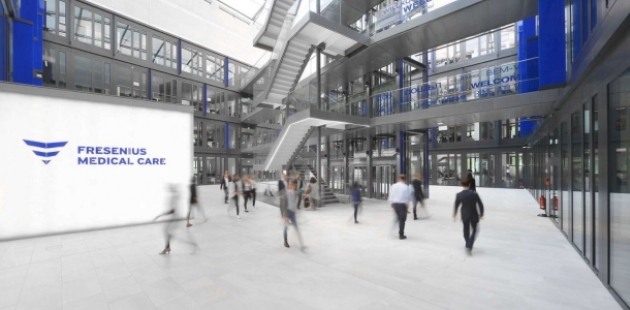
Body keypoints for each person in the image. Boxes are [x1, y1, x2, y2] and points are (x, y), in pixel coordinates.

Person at [155, 184, 199, 254]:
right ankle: (167, 247)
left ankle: (193, 245)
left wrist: (160, 215)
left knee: (176, 235)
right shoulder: (175, 196)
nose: (169, 189)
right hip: (175, 217)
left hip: (176, 218)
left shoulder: (174, 197)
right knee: (166, 231)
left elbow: (172, 211)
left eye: (170, 187)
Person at [453, 179, 484, 255]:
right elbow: (480, 204)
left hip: (464, 214)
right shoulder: (474, 194)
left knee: (466, 229)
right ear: (469, 185)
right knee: (475, 230)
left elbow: (456, 205)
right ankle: (469, 245)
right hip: (474, 214)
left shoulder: (459, 195)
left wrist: (455, 214)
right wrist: (481, 214)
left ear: (461, 185)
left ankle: (468, 243)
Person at [281, 180, 304, 250]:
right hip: (287, 212)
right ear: (291, 185)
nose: (295, 187)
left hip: (293, 213)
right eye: (293, 185)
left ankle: (302, 245)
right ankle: (285, 241)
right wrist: (283, 215)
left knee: (296, 228)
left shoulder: (295, 192)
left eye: (296, 186)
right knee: (286, 227)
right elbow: (282, 204)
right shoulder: (287, 192)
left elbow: (299, 192)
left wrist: (302, 190)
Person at [388, 175, 410, 240]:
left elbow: (391, 194)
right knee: (402, 220)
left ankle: (395, 225)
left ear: (398, 179)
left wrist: (391, 203)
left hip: (395, 204)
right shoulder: (406, 187)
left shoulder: (393, 186)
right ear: (405, 179)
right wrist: (407, 208)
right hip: (402, 205)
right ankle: (401, 234)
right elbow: (407, 198)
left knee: (398, 217)